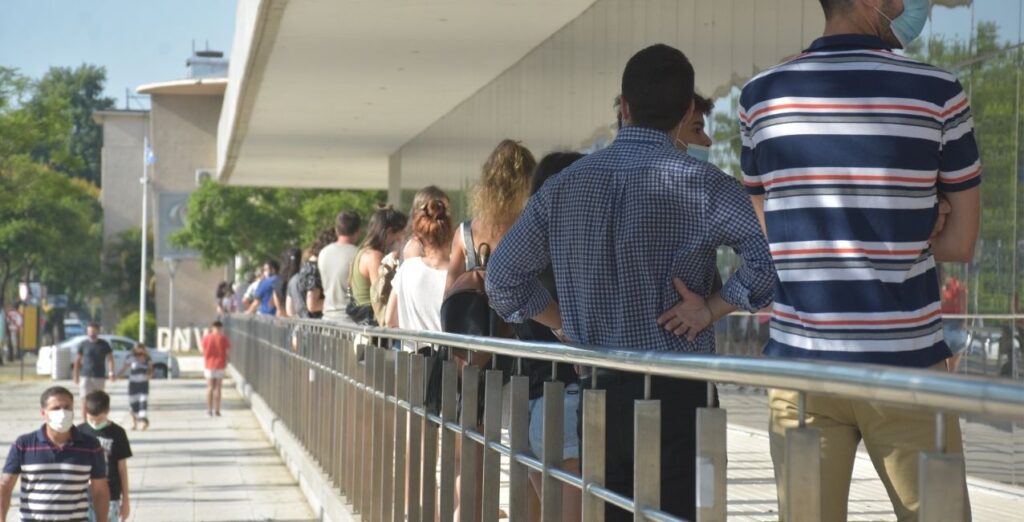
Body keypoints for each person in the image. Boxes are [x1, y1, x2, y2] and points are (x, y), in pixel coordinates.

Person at [487, 44, 775, 521]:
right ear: (687, 111)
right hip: (684, 394)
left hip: (599, 392)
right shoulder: (704, 184)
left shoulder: (563, 186)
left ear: (624, 105)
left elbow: (502, 280)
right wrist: (712, 308)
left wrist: (564, 327)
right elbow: (769, 263)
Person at [739, 1, 981, 519]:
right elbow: (961, 241)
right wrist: (910, 227)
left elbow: (775, 234)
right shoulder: (939, 92)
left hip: (801, 372)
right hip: (907, 368)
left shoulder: (759, 97)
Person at [442, 139, 536, 522]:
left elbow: (450, 297)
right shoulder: (532, 225)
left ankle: (468, 515)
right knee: (528, 452)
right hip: (522, 350)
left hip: (476, 355)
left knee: (475, 446)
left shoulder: (467, 231)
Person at [514, 151, 585, 522]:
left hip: (534, 392)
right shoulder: (572, 249)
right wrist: (565, 328)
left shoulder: (531, 246)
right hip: (562, 393)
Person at [1, 386, 110, 522]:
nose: (62, 413)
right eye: (56, 408)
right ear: (43, 412)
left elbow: (100, 490)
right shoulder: (24, 444)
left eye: (67, 407)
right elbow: (5, 485)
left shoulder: (91, 446)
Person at [384, 194, 452, 337]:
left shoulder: (407, 269)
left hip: (411, 355)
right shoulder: (457, 274)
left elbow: (390, 320)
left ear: (418, 238)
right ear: (450, 235)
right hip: (448, 356)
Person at [78, 391, 132, 522]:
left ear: (107, 411)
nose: (95, 423)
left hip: (110, 495)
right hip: (82, 497)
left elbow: (122, 468)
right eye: (91, 419)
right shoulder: (78, 432)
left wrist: (125, 499)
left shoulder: (118, 433)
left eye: (100, 419)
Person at [349, 206, 408, 324]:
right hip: (373, 326)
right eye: (402, 234)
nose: (403, 241)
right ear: (389, 232)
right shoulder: (374, 257)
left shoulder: (361, 252)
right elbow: (382, 295)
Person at [319, 211, 362, 323]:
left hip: (327, 320)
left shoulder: (323, 253)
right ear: (358, 231)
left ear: (337, 230)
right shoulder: (359, 255)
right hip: (350, 323)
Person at [73, 323, 116, 421]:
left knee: (99, 400)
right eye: (89, 332)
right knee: (84, 399)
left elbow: (110, 359)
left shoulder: (104, 344)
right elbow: (77, 361)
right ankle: (84, 422)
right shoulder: (83, 344)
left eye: (93, 331)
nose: (91, 334)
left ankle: (100, 420)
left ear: (98, 331)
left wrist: (111, 372)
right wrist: (76, 375)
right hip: (85, 376)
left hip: (99, 376)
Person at [298, 227, 338, 319]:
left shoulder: (309, 265)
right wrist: (340, 303)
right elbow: (313, 305)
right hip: (317, 325)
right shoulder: (314, 267)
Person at [401, 186, 450, 261]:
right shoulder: (416, 247)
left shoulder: (447, 243)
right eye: (438, 210)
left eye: (446, 209)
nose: (446, 214)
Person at [118, 343, 153, 430]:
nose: (139, 351)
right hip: (133, 384)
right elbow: (125, 367)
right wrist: (118, 375)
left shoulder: (147, 359)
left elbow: (151, 370)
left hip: (143, 384)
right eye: (137, 349)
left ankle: (143, 423)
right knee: (133, 405)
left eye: (141, 349)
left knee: (142, 404)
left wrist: (149, 375)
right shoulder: (131, 358)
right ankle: (135, 422)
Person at [201, 320, 231, 417]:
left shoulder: (206, 338)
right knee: (218, 387)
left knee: (210, 387)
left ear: (212, 328)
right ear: (221, 328)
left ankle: (209, 410)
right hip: (220, 364)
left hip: (209, 364)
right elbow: (227, 351)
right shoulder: (224, 338)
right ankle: (217, 410)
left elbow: (203, 350)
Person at [274, 248, 303, 318]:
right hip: (301, 319)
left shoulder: (278, 281)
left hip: (283, 320)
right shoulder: (302, 278)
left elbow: (277, 303)